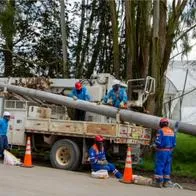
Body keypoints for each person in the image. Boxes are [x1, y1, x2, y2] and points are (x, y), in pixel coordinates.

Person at [154, 118, 177, 188]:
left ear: (161, 124)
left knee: (160, 165)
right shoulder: (172, 132)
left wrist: (154, 146)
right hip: (169, 151)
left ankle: (159, 181)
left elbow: (158, 142)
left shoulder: (160, 131)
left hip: (162, 151)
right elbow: (174, 144)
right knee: (167, 166)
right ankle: (165, 182)